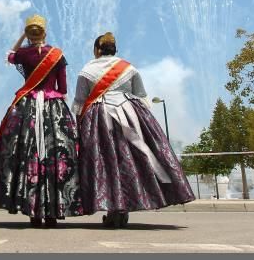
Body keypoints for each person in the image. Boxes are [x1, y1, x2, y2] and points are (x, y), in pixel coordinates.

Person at [74, 32, 195, 228]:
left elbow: (80, 101)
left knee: (104, 162)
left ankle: (113, 207)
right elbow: (141, 95)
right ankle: (130, 203)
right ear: (115, 50)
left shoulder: (86, 70)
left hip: (99, 116)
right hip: (131, 115)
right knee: (132, 160)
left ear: (96, 50)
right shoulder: (129, 68)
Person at [0, 15, 81, 228]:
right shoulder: (57, 55)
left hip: (28, 106)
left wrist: (22, 36)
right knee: (56, 157)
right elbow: (63, 89)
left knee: (27, 154)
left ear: (29, 34)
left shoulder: (24, 53)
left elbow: (10, 55)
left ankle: (33, 211)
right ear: (45, 33)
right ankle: (53, 212)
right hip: (54, 107)